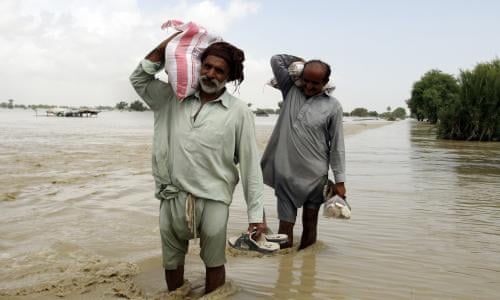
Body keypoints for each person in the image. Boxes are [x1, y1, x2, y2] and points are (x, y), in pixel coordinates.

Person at [129, 36, 266, 294]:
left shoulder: (239, 112)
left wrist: (255, 216)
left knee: (214, 262)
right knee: (171, 262)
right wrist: (162, 48)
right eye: (207, 66)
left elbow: (250, 167)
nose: (211, 74)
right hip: (172, 195)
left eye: (219, 71)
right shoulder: (172, 98)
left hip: (213, 198)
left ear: (229, 78)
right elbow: (138, 79)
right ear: (199, 66)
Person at [261, 54, 346, 250]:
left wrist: (340, 181)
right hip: (286, 174)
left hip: (315, 178)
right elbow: (276, 60)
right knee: (285, 230)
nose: (308, 86)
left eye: (315, 83)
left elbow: (337, 146)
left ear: (325, 83)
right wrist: (300, 59)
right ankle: (285, 272)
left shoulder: (333, 107)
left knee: (310, 224)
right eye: (305, 80)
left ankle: (308, 267)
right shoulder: (290, 91)